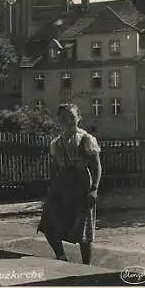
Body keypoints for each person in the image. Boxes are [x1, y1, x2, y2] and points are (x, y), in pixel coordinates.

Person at [37, 103, 102, 265]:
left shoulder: (87, 139)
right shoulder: (56, 143)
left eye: (72, 117)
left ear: (79, 118)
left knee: (83, 228)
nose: (68, 121)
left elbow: (96, 166)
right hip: (61, 187)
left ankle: (86, 266)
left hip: (81, 187)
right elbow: (54, 169)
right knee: (48, 223)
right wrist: (51, 190)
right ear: (59, 120)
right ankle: (61, 257)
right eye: (64, 118)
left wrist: (94, 189)